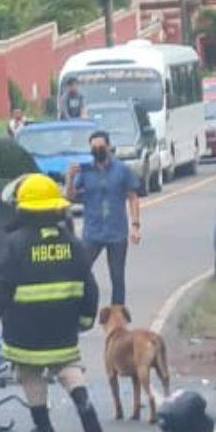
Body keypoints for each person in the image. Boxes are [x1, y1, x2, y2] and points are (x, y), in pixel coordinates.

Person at [0, 174, 103, 432]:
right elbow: (88, 285)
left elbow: (0, 286)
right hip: (63, 327)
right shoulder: (72, 243)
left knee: (29, 372)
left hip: (25, 329)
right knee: (66, 365)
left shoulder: (15, 244)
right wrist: (86, 318)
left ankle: (44, 430)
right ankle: (83, 402)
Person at [64, 130, 142, 306]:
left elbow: (132, 196)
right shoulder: (85, 171)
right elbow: (71, 197)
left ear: (108, 147)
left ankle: (118, 314)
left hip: (117, 232)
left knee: (117, 277)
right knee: (80, 271)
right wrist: (69, 178)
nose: (97, 150)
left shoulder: (122, 170)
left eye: (101, 146)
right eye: (94, 147)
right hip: (92, 232)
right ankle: (79, 308)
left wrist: (135, 226)